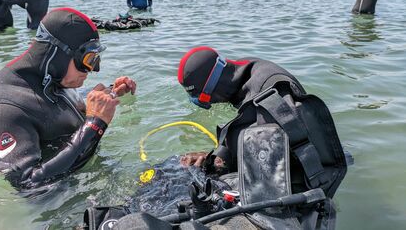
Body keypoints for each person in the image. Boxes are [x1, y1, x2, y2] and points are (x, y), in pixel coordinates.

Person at [83, 47, 348, 229]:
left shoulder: (261, 113)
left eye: (199, 99)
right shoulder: (257, 72)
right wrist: (218, 154)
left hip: (300, 185)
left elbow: (266, 193)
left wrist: (217, 162)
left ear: (208, 94)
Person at [0, 7, 137, 189]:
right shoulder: (0, 109)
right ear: (58, 54)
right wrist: (94, 124)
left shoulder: (54, 79)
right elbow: (28, 185)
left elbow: (49, 105)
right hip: (61, 207)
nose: (94, 69)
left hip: (89, 181)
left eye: (96, 59)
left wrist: (109, 93)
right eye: (88, 59)